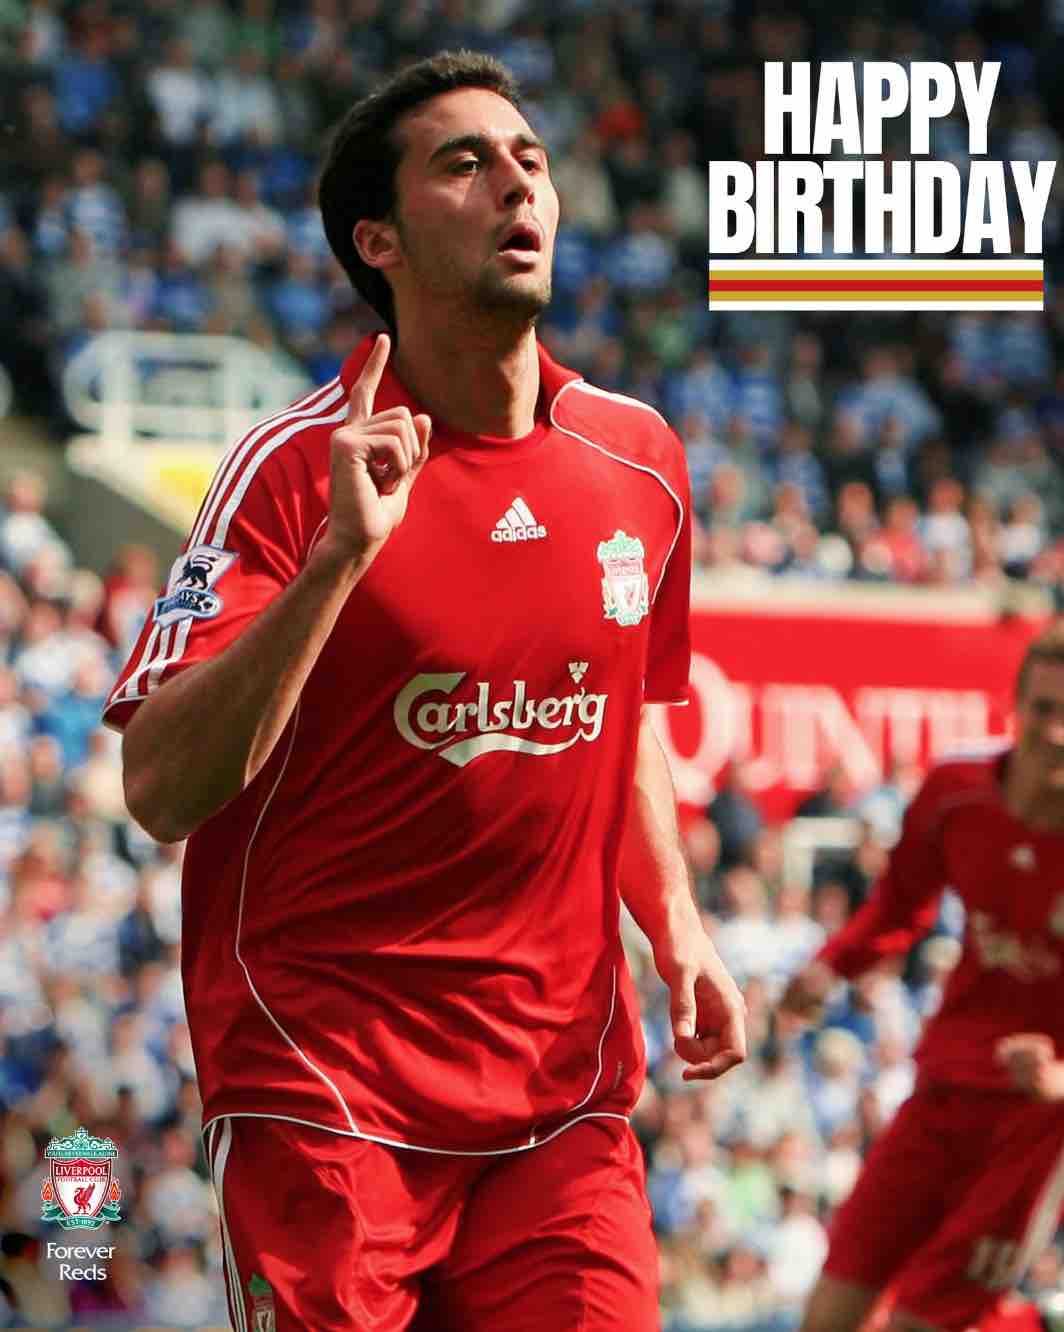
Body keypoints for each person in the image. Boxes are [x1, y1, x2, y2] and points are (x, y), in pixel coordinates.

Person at [105, 51, 746, 1332]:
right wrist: (338, 562)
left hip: (560, 1100)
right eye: (465, 162)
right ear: (378, 241)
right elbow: (160, 788)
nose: (516, 181)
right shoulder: (293, 470)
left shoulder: (639, 463)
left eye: (529, 158)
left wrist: (675, 927)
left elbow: (614, 716)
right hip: (325, 1092)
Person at [781, 622, 1064, 1332]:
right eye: (1044, 709)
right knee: (828, 1316)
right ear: (1015, 707)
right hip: (942, 1089)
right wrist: (831, 966)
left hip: (1037, 1123)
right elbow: (900, 904)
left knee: (920, 1324)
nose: (1057, 733)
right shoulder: (957, 793)